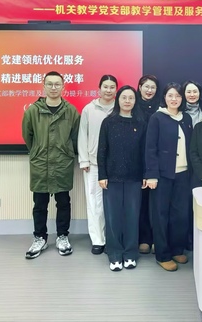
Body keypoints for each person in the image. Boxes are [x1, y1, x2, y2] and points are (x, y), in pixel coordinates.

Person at [22, 71, 80, 259]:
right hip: (41, 163)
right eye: (50, 84)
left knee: (63, 202)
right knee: (40, 204)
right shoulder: (33, 111)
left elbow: (75, 137)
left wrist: (67, 152)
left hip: (62, 163)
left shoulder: (71, 111)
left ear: (63, 87)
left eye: (57, 84)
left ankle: (63, 236)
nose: (53, 88)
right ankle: (40, 238)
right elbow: (28, 136)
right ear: (43, 86)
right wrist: (38, 151)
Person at [97, 85, 147, 271]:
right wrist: (102, 174)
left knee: (132, 216)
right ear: (118, 100)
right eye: (124, 97)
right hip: (112, 178)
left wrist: (145, 174)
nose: (127, 101)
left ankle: (130, 253)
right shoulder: (108, 122)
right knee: (113, 217)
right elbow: (102, 150)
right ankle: (115, 253)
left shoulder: (141, 123)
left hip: (134, 177)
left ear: (135, 101)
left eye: (131, 98)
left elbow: (145, 152)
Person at [145, 83, 193, 272]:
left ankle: (176, 249)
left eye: (178, 96)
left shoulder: (186, 118)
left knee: (180, 214)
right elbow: (150, 148)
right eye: (170, 95)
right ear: (164, 97)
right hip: (162, 175)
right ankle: (162, 255)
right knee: (160, 215)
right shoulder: (157, 118)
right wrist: (151, 174)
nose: (174, 99)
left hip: (183, 174)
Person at [78, 74, 117, 255]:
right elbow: (82, 135)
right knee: (94, 203)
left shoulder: (120, 108)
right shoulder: (89, 109)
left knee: (114, 204)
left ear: (116, 90)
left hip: (116, 165)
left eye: (112, 87)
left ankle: (112, 238)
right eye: (105, 87)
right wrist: (84, 159)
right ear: (99, 89)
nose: (108, 90)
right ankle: (98, 240)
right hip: (93, 164)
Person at [135, 74, 160, 255]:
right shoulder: (133, 106)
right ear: (140, 87)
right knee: (141, 202)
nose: (149, 90)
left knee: (157, 203)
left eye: (153, 87)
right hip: (137, 160)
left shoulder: (161, 108)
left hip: (157, 160)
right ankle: (144, 238)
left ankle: (157, 238)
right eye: (146, 87)